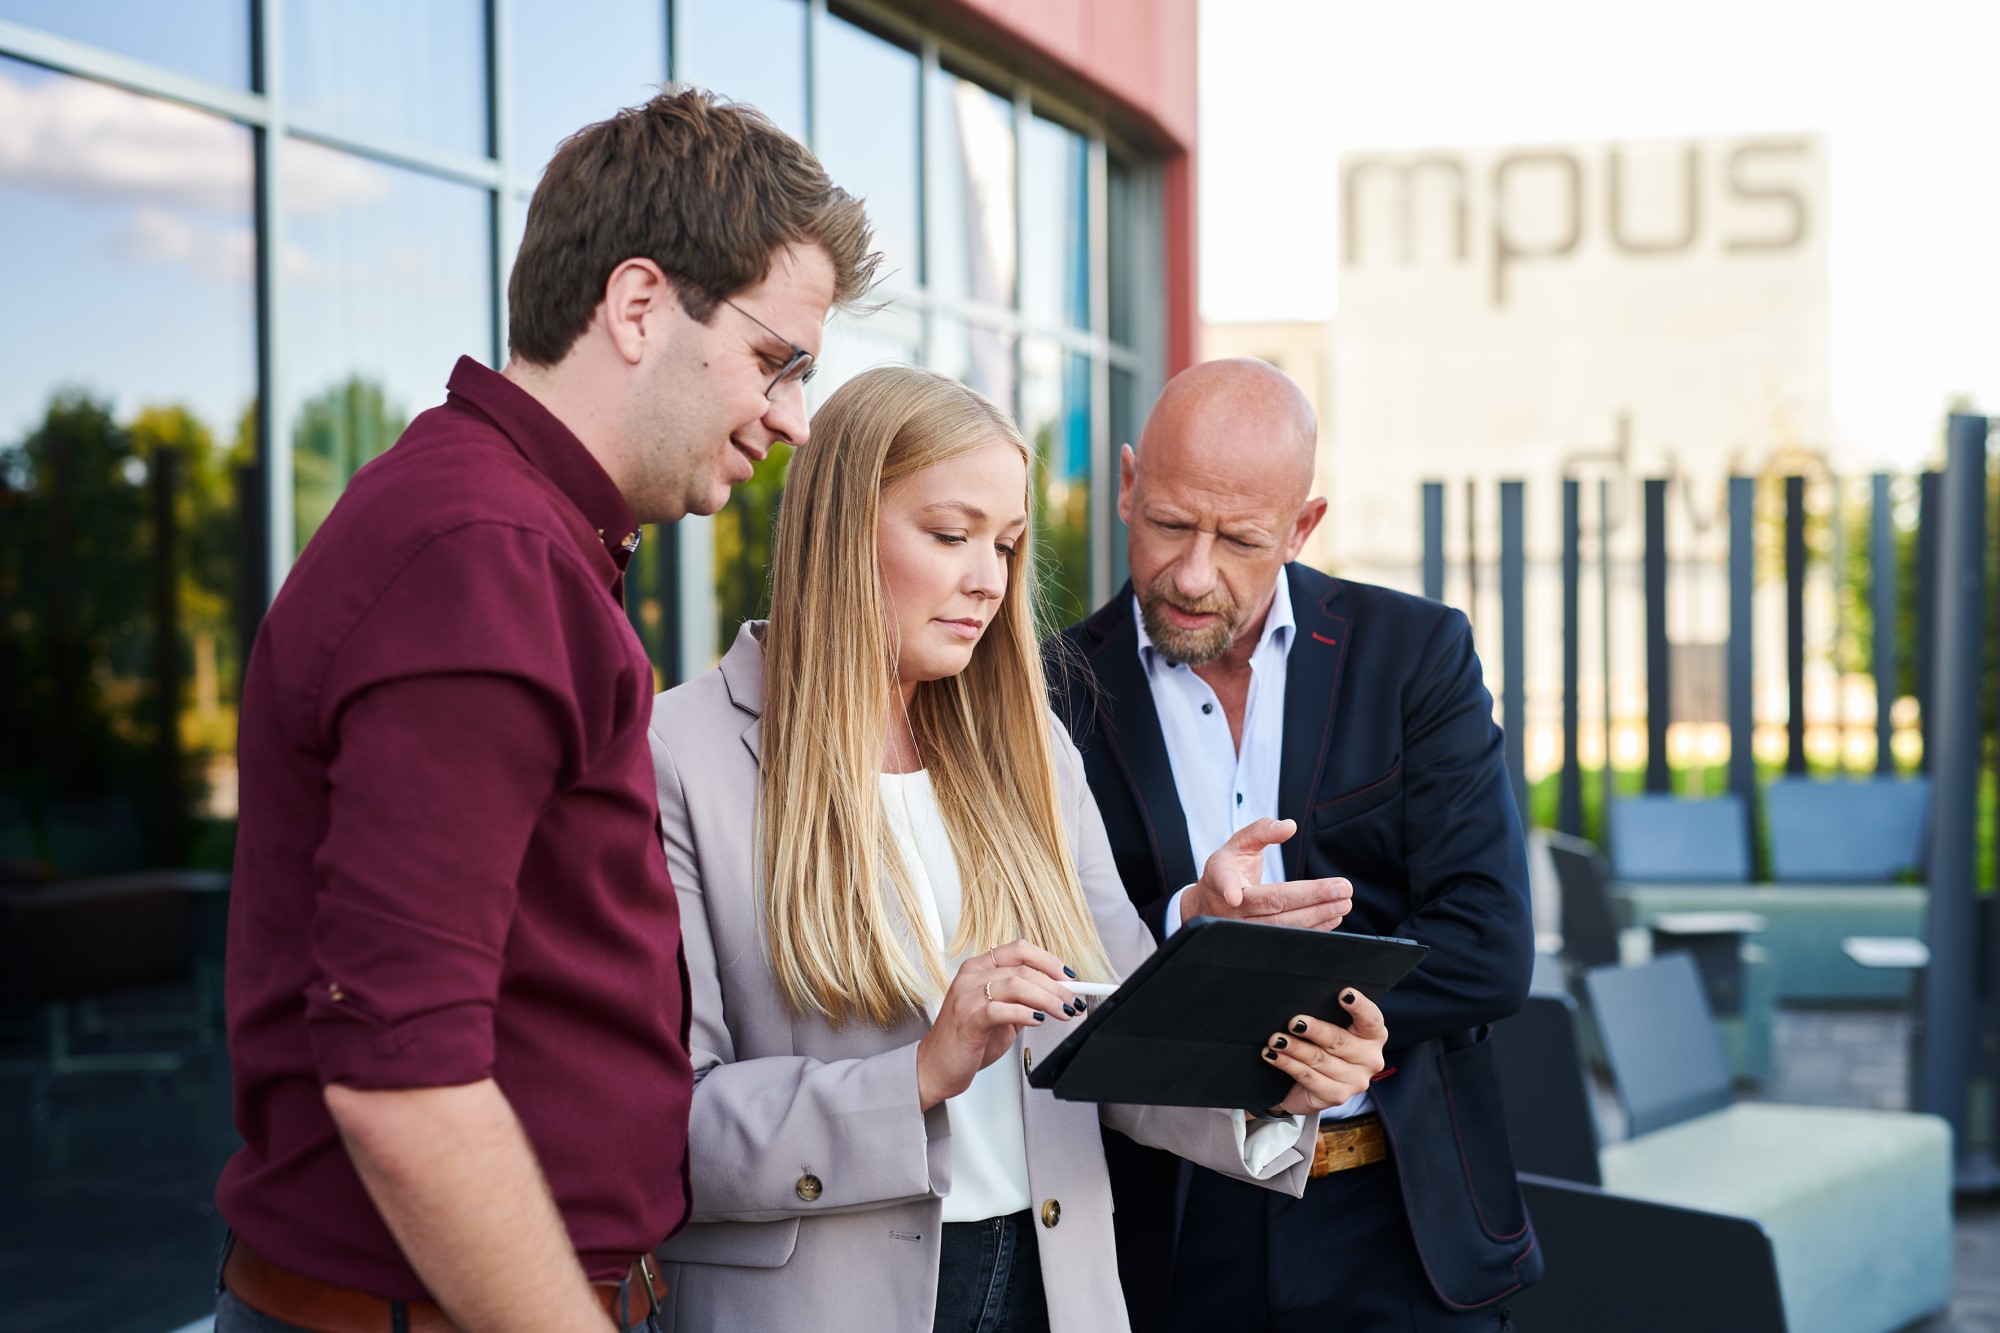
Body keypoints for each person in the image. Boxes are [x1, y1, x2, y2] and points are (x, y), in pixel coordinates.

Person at [213, 89, 877, 1333]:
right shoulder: (485, 554)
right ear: (637, 306)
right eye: (776, 360)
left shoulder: (510, 532)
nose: (791, 418)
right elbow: (401, 1073)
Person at [646, 364, 1388, 1333]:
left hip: (1052, 1282)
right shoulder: (678, 754)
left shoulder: (1027, 743)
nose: (988, 581)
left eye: (1003, 544)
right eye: (951, 536)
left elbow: (1117, 1029)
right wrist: (917, 1072)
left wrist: (1280, 1075)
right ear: (837, 527)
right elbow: (666, 1122)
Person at [1046, 358, 1542, 1332]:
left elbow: (1488, 946)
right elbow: (1041, 961)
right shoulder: (1044, 691)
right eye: (1169, 524)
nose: (1193, 573)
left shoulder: (1413, 654)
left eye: (1238, 539)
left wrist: (1269, 1002)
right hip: (1163, 1231)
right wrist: (1182, 922)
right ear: (1125, 483)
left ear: (1303, 526)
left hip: (1397, 1221)